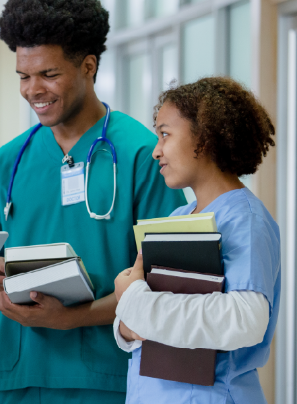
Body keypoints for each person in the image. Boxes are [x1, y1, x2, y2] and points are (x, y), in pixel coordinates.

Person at [0, 0, 187, 401]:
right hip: (19, 377)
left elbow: (168, 282)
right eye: (23, 76)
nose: (33, 89)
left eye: (49, 74)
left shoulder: (141, 153)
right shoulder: (11, 160)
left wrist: (75, 318)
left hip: (107, 379)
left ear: (88, 66)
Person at [113, 76, 279, 403]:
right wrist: (126, 327)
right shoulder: (179, 217)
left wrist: (132, 299)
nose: (155, 151)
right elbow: (144, 317)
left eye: (164, 134)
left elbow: (245, 320)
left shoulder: (245, 220)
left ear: (205, 137)